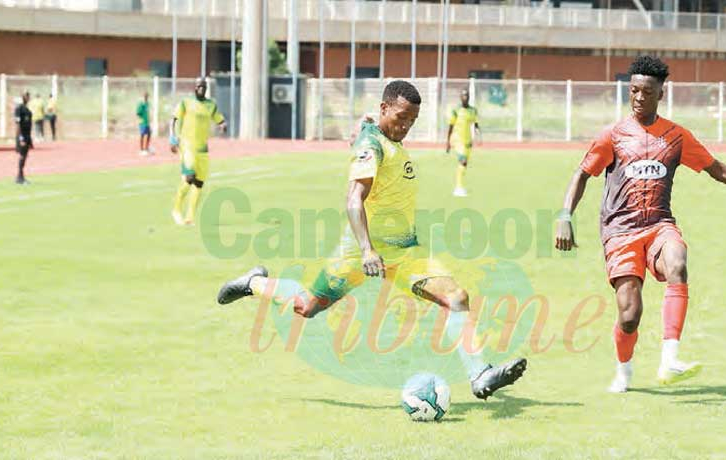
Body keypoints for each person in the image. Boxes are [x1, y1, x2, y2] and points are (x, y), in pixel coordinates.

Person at [217, 80, 527, 400]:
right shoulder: (372, 145)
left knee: (457, 297)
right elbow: (354, 198)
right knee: (307, 306)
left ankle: (479, 374)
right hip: (358, 252)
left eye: (412, 121)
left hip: (405, 252)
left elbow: (376, 137)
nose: (405, 126)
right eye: (401, 117)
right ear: (384, 108)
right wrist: (367, 249)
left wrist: (370, 127)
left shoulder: (383, 138)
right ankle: (254, 283)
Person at [554, 56, 726, 393]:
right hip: (620, 232)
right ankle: (624, 371)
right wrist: (565, 216)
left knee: (678, 262)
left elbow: (716, 169)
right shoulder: (614, 135)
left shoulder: (676, 137)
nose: (638, 97)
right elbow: (582, 174)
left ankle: (669, 359)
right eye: (633, 90)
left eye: (646, 92)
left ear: (660, 94)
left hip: (659, 226)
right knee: (629, 315)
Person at [170, 77, 226, 226]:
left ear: (206, 89)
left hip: (203, 149)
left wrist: (223, 125)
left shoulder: (210, 105)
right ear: (194, 88)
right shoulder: (186, 103)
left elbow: (219, 119)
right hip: (187, 146)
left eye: (203, 86)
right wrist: (173, 138)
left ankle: (190, 217)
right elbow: (174, 119)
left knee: (199, 183)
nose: (201, 88)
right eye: (198, 86)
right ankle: (176, 210)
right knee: (189, 177)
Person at [446, 89, 481, 197]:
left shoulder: (473, 111)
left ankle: (460, 186)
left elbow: (475, 123)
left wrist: (478, 131)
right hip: (457, 140)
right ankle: (458, 188)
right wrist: (448, 142)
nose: (465, 97)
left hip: (467, 141)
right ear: (460, 97)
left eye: (466, 95)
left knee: (464, 165)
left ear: (469, 97)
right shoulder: (456, 111)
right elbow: (450, 126)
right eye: (463, 95)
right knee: (463, 161)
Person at [14, 91, 33, 184]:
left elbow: (29, 125)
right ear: (23, 97)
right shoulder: (19, 109)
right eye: (26, 96)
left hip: (27, 136)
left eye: (28, 96)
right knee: (22, 156)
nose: (28, 97)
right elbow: (18, 124)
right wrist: (20, 138)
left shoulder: (28, 110)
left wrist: (30, 140)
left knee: (25, 156)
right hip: (22, 136)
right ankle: (20, 177)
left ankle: (20, 176)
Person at [137, 92, 153, 156]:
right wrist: (141, 119)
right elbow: (138, 113)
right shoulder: (141, 104)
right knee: (142, 135)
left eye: (147, 96)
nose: (146, 98)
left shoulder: (147, 104)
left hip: (147, 122)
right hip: (142, 122)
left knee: (149, 134)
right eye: (145, 96)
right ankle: (141, 149)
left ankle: (146, 148)